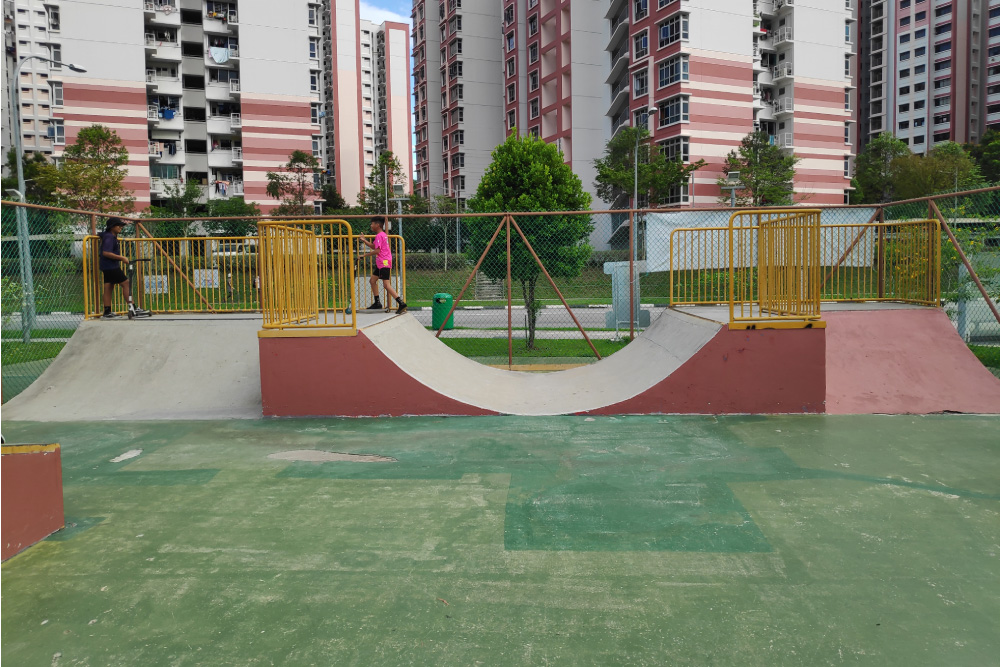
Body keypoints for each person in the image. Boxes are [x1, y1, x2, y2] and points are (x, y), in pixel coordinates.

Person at [98, 218, 149, 319]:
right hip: (111, 266)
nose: (121, 227)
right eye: (118, 225)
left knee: (108, 287)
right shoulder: (109, 237)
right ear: (111, 227)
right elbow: (106, 252)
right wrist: (122, 258)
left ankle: (107, 312)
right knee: (126, 283)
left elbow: (101, 234)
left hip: (106, 266)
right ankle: (133, 308)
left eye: (121, 225)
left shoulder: (110, 236)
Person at [357, 216, 407, 314]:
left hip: (384, 263)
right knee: (372, 281)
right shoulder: (381, 235)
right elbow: (373, 246)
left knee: (386, 285)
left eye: (372, 224)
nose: (371, 225)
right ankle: (377, 303)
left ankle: (401, 303)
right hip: (381, 263)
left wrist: (364, 255)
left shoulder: (380, 235)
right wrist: (364, 240)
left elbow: (377, 250)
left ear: (378, 225)